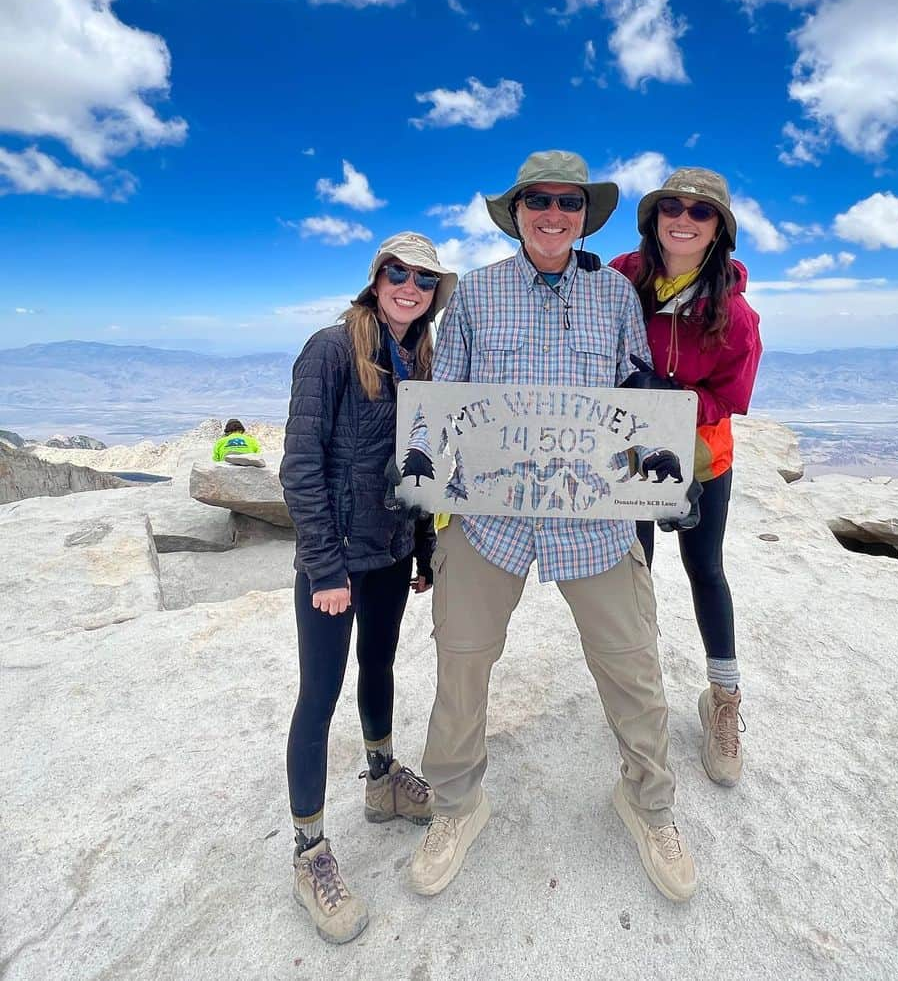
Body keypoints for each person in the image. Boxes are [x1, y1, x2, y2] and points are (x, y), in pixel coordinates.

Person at [406, 151, 697, 904]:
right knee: (461, 664)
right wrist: (421, 495)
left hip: (593, 519)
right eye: (540, 199)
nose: (554, 213)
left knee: (633, 666)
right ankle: (457, 805)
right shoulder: (474, 293)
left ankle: (648, 802)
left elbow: (637, 402)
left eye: (570, 202)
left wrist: (666, 476)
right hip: (490, 516)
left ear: (583, 214)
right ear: (519, 209)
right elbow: (448, 398)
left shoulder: (613, 295)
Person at [280, 231, 458, 943]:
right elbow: (300, 467)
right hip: (336, 561)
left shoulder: (421, 358)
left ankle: (381, 778)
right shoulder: (329, 349)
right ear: (375, 279)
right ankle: (309, 853)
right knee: (318, 697)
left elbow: (418, 466)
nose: (409, 286)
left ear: (434, 293)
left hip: (387, 553)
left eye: (423, 278)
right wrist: (324, 568)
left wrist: (420, 545)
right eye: (397, 272)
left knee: (379, 666)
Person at [611, 168, 762, 788]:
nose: (683, 217)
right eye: (671, 206)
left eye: (700, 212)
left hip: (699, 456)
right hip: (625, 454)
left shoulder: (736, 312)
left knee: (705, 569)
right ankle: (641, 694)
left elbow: (732, 394)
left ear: (718, 228)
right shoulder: (623, 277)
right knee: (632, 570)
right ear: (653, 219)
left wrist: (665, 398)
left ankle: (723, 699)